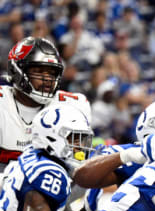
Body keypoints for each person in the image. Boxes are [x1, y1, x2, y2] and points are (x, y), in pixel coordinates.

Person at [0, 103, 93, 211]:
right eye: (74, 139)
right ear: (51, 138)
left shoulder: (32, 155)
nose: (80, 146)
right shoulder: (50, 174)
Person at [0, 37, 91, 170]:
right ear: (16, 71)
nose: (48, 79)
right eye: (39, 71)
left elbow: (78, 166)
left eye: (52, 73)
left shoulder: (72, 106)